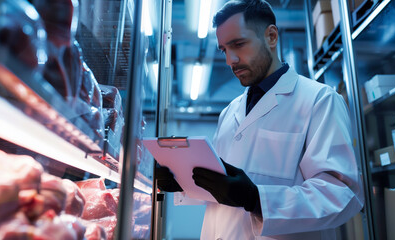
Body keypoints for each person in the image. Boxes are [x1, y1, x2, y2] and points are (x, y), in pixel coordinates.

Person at [155, 0, 364, 239]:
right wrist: (183, 180)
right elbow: (223, 190)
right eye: (224, 49)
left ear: (272, 36)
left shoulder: (319, 100)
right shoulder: (229, 112)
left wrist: (256, 199)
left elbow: (342, 195)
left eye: (238, 44)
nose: (230, 60)